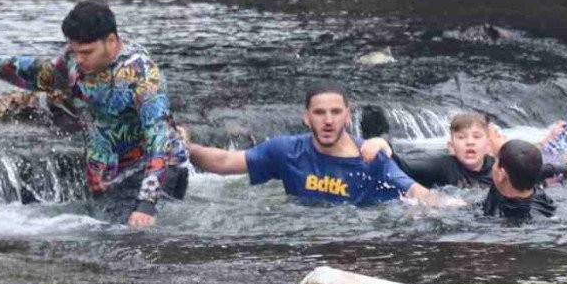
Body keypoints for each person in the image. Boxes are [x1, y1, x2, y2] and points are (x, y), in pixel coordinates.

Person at [0, 1, 187, 227]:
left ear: (112, 41)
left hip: (155, 174)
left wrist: (146, 203)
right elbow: (41, 75)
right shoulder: (74, 60)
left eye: (87, 52)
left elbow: (161, 140)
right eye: (75, 51)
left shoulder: (143, 78)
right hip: (110, 177)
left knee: (120, 244)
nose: (79, 59)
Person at [186, 84, 454, 207]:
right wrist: (183, 147)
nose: (328, 121)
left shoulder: (371, 158)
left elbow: (419, 194)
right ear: (306, 117)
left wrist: (463, 209)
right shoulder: (286, 151)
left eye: (336, 112)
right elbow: (223, 162)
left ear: (348, 116)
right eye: (319, 113)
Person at [397, 111, 500, 190]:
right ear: (451, 146)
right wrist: (383, 144)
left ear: (488, 145)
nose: (469, 142)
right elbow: (401, 165)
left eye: (476, 137)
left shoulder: (500, 169)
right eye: (461, 137)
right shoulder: (442, 167)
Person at [481, 140, 554, 222]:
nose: (492, 167)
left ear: (502, 174)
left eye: (495, 162)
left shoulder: (524, 220)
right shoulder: (529, 173)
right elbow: (553, 169)